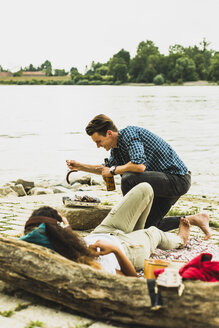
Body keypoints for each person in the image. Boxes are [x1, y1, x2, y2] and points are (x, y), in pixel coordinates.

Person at [66, 114, 211, 239]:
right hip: (161, 184)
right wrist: (80, 166)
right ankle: (195, 219)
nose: (98, 146)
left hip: (177, 179)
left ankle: (127, 220)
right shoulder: (116, 151)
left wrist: (113, 170)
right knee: (148, 226)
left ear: (109, 133)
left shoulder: (129, 134)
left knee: (129, 178)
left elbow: (139, 166)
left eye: (99, 141)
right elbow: (106, 169)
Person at [20, 183, 195, 277]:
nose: (66, 220)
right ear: (60, 229)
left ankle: (137, 234)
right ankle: (180, 240)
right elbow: (132, 280)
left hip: (103, 231)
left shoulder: (63, 243)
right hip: (127, 249)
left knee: (145, 189)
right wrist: (116, 251)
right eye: (62, 218)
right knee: (153, 232)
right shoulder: (88, 265)